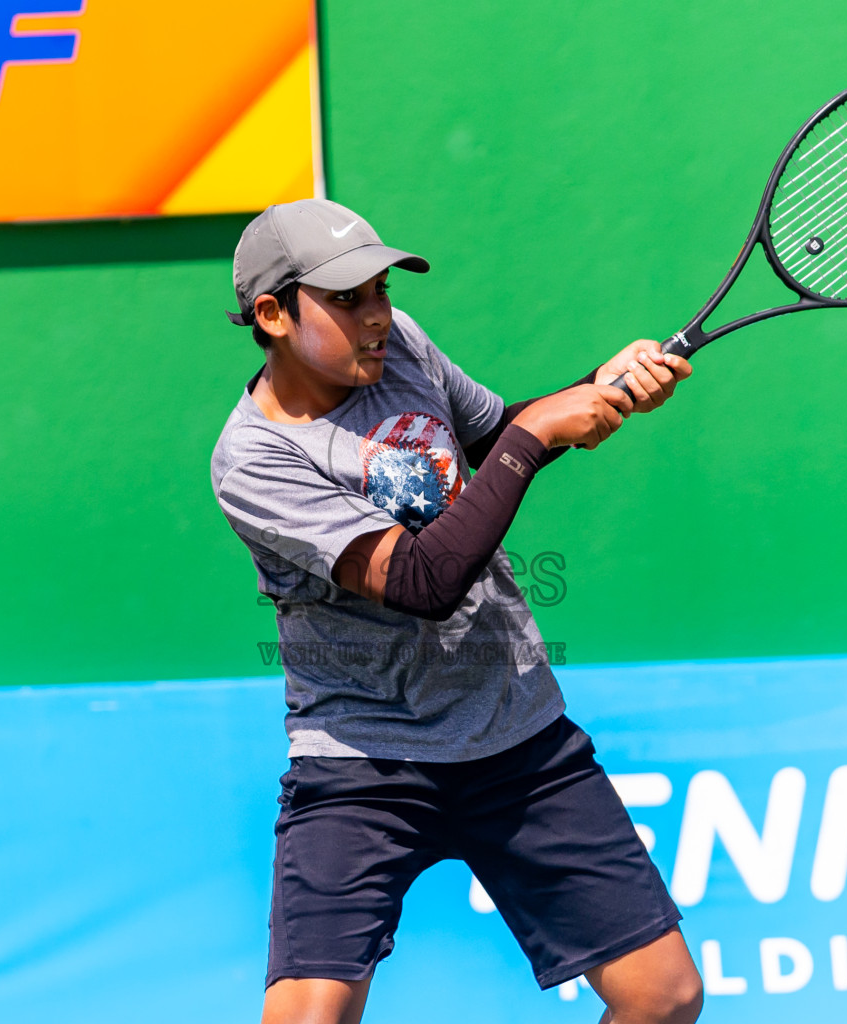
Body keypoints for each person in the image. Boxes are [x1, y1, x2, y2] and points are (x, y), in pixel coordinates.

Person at [211, 198, 702, 1024]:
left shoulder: (399, 346)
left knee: (664, 996)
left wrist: (595, 391)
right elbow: (423, 581)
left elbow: (494, 437)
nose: (377, 317)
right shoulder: (254, 461)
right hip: (363, 762)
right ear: (273, 314)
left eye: (381, 292)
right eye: (349, 300)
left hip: (518, 738)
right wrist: (542, 432)